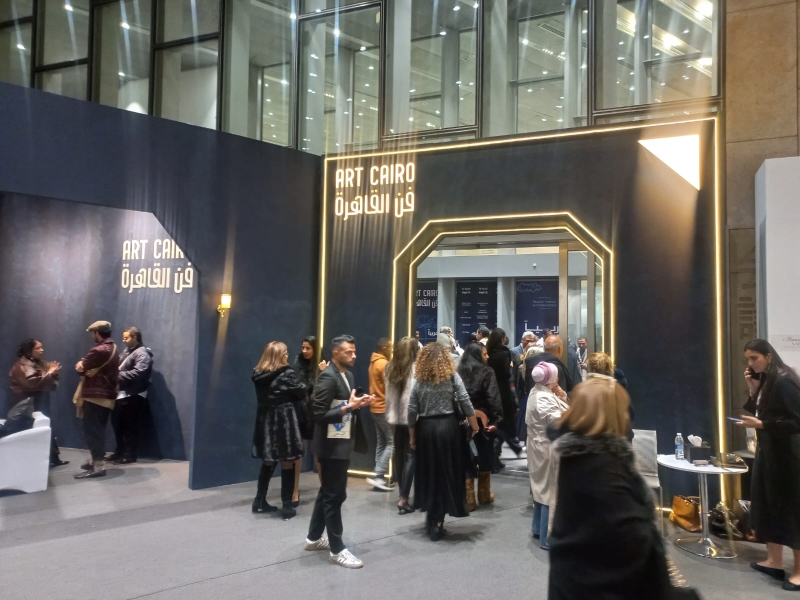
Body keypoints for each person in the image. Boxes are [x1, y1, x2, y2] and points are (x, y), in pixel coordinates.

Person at [547, 377, 688, 600]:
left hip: (574, 584)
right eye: (623, 409)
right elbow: (632, 541)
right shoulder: (603, 469)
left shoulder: (576, 458)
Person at [305, 335, 374, 569]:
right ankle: (337, 550)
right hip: (330, 447)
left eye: (354, 351)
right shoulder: (328, 377)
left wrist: (357, 404)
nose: (354, 356)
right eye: (348, 352)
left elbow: (344, 406)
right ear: (335, 353)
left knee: (328, 491)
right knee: (334, 496)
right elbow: (318, 415)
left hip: (340, 442)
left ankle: (313, 538)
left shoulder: (347, 375)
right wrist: (348, 407)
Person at [738, 339, 800, 591]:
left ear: (769, 356)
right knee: (770, 506)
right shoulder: (768, 381)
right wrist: (753, 389)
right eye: (748, 359)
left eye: (755, 358)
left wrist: (762, 425)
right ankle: (774, 561)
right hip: (770, 454)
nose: (751, 363)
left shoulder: (784, 381)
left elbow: (796, 422)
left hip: (788, 458)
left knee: (792, 512)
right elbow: (763, 412)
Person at [409, 343, 478, 541]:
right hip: (448, 429)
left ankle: (431, 517)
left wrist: (412, 435)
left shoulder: (419, 380)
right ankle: (438, 522)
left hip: (425, 430)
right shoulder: (452, 376)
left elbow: (412, 410)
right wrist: (474, 426)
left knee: (429, 474)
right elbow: (465, 401)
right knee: (446, 474)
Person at [251, 341, 306, 520]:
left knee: (268, 462)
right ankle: (287, 505)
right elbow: (301, 392)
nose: (288, 355)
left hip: (265, 422)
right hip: (283, 422)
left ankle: (259, 500)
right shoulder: (286, 374)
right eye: (285, 353)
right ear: (279, 356)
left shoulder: (258, 374)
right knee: (287, 462)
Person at [526, 361, 568, 550]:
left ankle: (537, 528)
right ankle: (547, 536)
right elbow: (560, 421)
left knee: (540, 489)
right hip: (547, 448)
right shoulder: (543, 398)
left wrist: (562, 396)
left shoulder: (537, 392)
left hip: (539, 447)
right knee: (550, 492)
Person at [457, 343, 502, 510]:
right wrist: (497, 420)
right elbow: (493, 397)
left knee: (466, 457)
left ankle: (468, 499)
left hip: (463, 420)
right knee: (485, 455)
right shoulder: (487, 372)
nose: (487, 357)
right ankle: (484, 495)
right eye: (484, 354)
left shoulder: (459, 371)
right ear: (477, 356)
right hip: (483, 420)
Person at [8, 338, 66, 467]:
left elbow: (49, 385)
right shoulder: (23, 366)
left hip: (38, 402)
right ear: (29, 351)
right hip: (29, 404)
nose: (42, 350)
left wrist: (52, 374)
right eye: (38, 348)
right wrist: (50, 374)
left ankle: (53, 457)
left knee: (45, 428)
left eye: (41, 347)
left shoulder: (37, 364)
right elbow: (31, 383)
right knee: (36, 431)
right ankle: (40, 461)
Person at [74, 321, 120, 480]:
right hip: (106, 395)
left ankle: (98, 466)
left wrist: (80, 366)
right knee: (98, 430)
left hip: (95, 396)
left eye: (92, 333)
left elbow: (81, 367)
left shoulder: (98, 350)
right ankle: (95, 461)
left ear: (97, 333)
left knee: (93, 431)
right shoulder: (113, 347)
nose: (92, 336)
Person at [385, 336, 418, 514]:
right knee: (411, 455)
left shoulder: (391, 368)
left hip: (396, 417)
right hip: (412, 418)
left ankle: (401, 494)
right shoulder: (416, 368)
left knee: (398, 454)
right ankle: (404, 498)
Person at [110, 327, 153, 465]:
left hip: (133, 395)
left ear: (135, 337)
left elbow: (140, 373)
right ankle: (120, 452)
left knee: (128, 426)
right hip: (124, 394)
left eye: (126, 337)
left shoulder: (142, 353)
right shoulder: (129, 351)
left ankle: (129, 455)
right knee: (118, 424)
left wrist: (117, 375)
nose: (123, 340)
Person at [293, 336, 327, 503]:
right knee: (297, 453)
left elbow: (323, 391)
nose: (304, 351)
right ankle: (294, 491)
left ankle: (325, 490)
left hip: (315, 413)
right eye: (303, 347)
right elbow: (298, 389)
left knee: (317, 453)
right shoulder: (297, 365)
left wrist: (322, 373)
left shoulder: (323, 365)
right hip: (300, 412)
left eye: (308, 348)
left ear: (315, 349)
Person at [486, 328, 523, 457]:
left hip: (490, 388)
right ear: (502, 338)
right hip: (503, 389)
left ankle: (495, 452)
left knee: (495, 420)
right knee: (505, 420)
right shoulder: (504, 352)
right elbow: (507, 374)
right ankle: (501, 450)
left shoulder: (487, 351)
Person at [367, 337, 394, 491]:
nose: (392, 350)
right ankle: (378, 475)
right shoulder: (384, 364)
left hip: (374, 408)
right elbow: (390, 387)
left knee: (381, 442)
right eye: (390, 347)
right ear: (384, 349)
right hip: (383, 408)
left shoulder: (373, 363)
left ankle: (378, 476)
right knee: (392, 443)